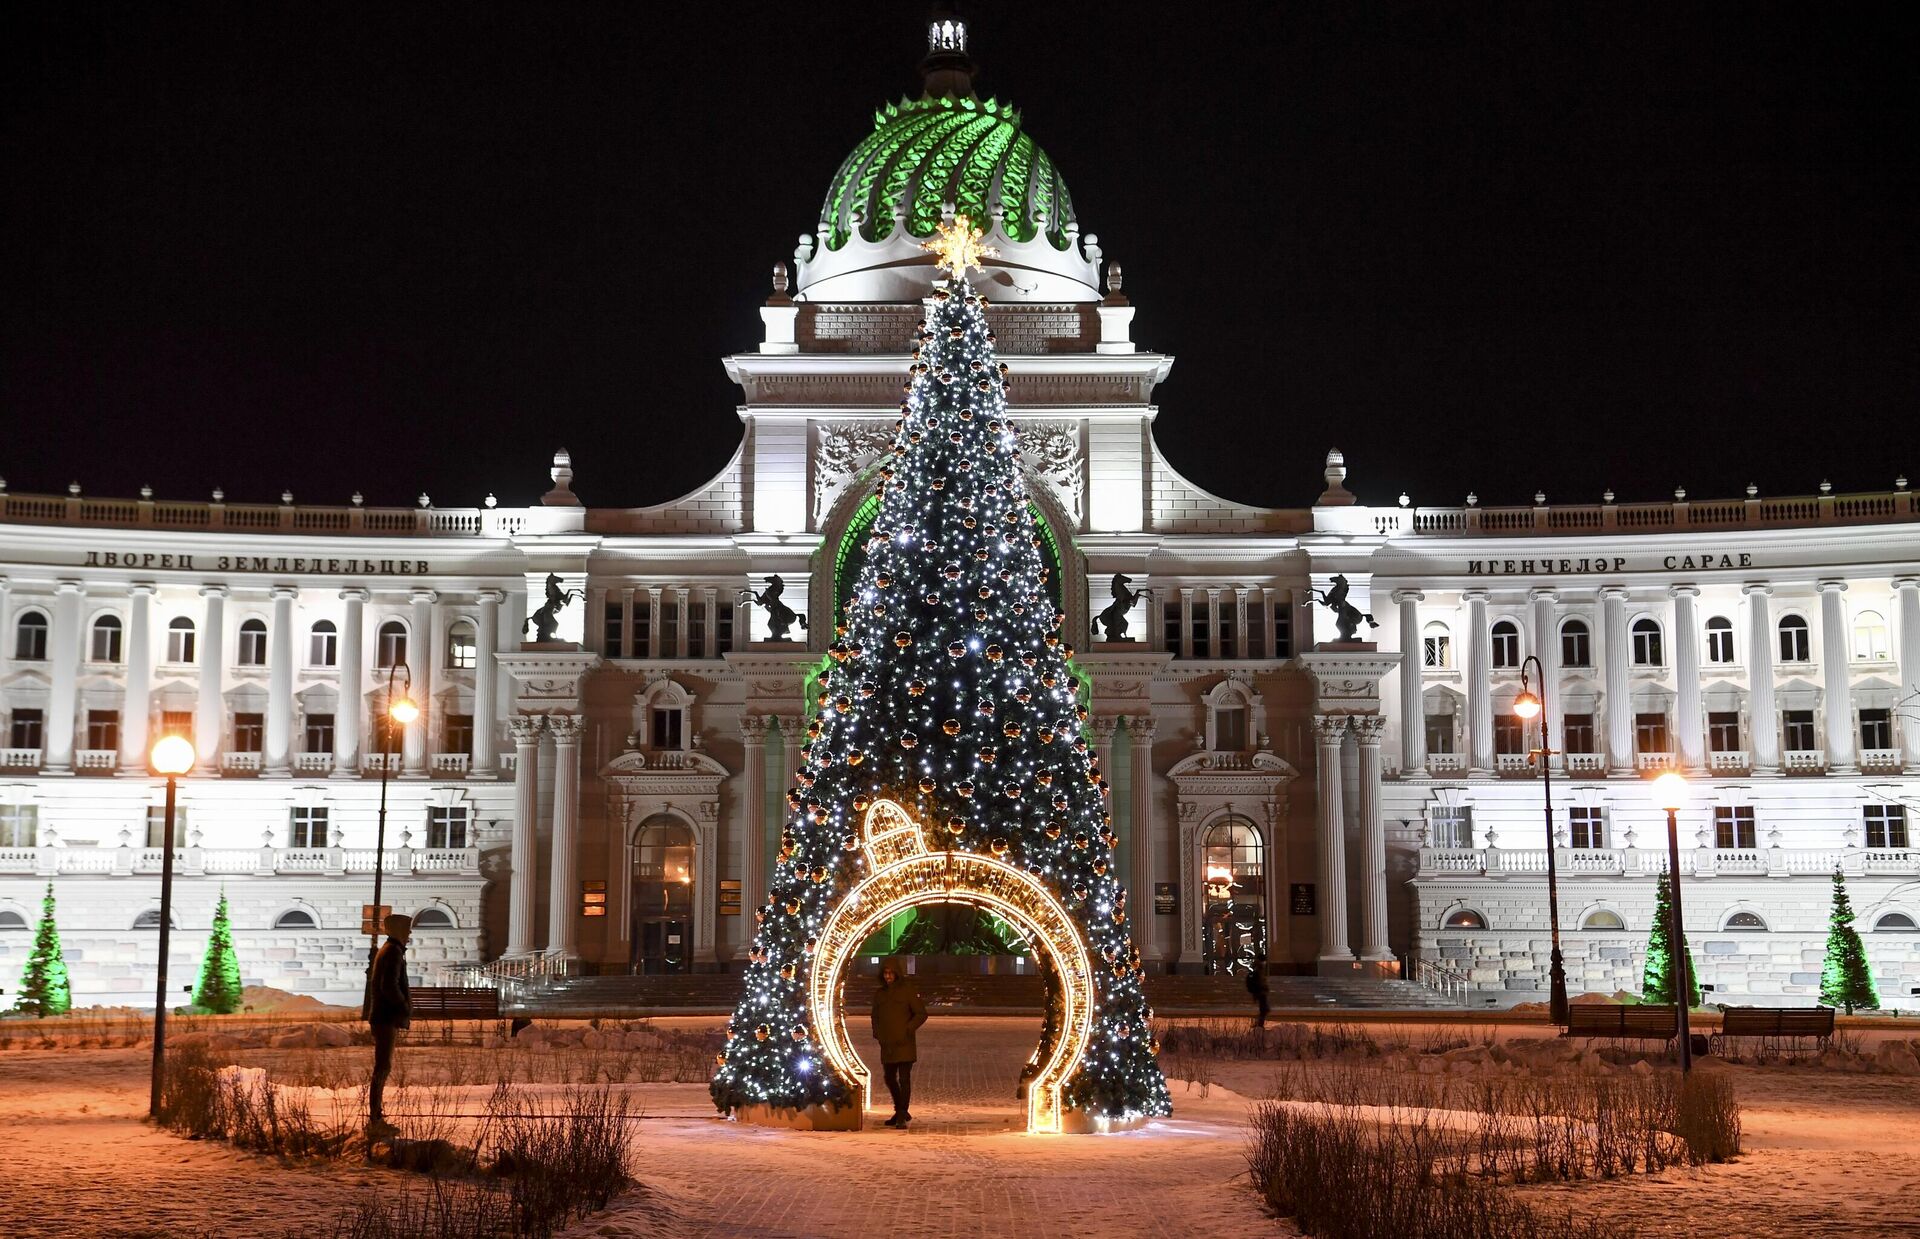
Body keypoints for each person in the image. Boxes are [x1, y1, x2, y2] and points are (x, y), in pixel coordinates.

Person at [362, 912, 413, 1138]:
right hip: (386, 1018)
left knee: (382, 1067)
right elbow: (388, 986)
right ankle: (375, 1118)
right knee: (382, 1068)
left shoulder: (391, 951)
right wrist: (402, 1004)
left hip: (384, 1017)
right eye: (407, 928)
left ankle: (376, 1115)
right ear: (399, 930)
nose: (410, 933)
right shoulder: (392, 952)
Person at [869, 957, 927, 1128]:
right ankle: (900, 1110)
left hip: (904, 1043)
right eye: (886, 973)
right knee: (889, 1078)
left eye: (891, 973)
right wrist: (878, 1033)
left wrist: (908, 1029)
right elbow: (875, 1016)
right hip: (887, 1044)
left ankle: (902, 1114)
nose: (888, 976)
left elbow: (921, 1014)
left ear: (896, 974)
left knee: (904, 1078)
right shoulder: (880, 994)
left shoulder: (907, 991)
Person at [1246, 949, 1271, 1029]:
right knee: (1264, 1010)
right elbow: (1260, 981)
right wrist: (1264, 987)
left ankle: (1258, 1024)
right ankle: (1258, 1025)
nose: (1265, 963)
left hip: (1260, 992)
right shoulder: (1258, 969)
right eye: (1264, 961)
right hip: (1260, 992)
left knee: (1264, 1010)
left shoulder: (1258, 968)